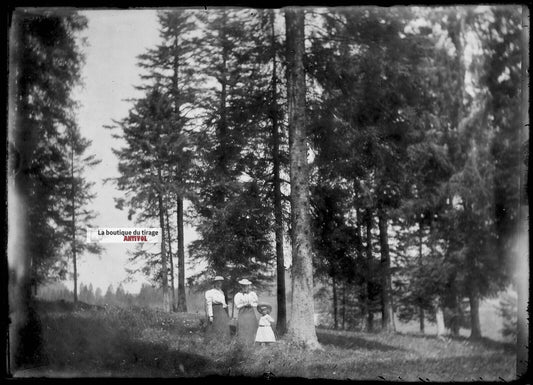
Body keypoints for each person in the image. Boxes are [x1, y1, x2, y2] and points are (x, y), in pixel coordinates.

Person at [233, 279, 259, 345]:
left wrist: (251, 304)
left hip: (250, 312)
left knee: (251, 326)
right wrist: (244, 304)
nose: (245, 288)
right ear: (241, 286)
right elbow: (237, 306)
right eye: (243, 286)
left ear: (248, 286)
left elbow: (256, 303)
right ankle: (242, 343)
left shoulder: (252, 294)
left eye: (246, 286)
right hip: (242, 312)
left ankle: (252, 343)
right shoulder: (238, 295)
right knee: (242, 326)